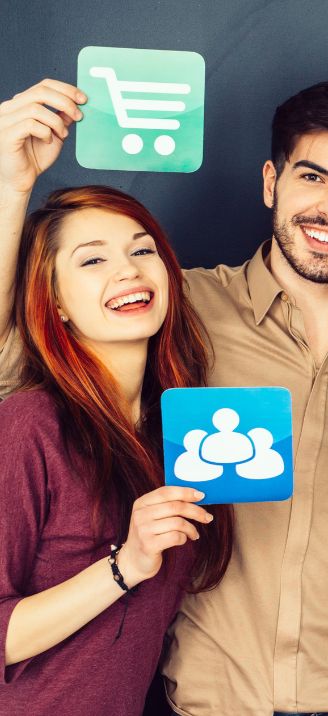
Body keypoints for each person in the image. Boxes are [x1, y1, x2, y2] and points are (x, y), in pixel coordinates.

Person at [0, 75, 328, 715]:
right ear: (270, 183)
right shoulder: (176, 308)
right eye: (312, 177)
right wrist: (11, 190)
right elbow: (19, 352)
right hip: (212, 695)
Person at [0, 185, 234, 714]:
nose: (128, 269)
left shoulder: (172, 432)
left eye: (142, 249)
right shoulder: (29, 424)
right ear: (54, 300)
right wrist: (125, 564)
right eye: (93, 259)